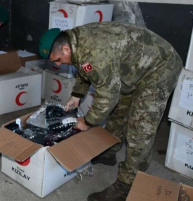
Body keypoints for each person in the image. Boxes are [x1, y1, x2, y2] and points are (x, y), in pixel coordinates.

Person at [38, 22, 182, 201]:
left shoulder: (94, 52)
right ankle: (109, 152)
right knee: (118, 111)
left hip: (159, 68)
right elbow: (87, 68)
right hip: (133, 68)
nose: (58, 64)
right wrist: (77, 95)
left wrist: (87, 121)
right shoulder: (76, 42)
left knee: (140, 130)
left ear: (66, 49)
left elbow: (107, 95)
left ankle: (126, 185)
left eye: (58, 60)